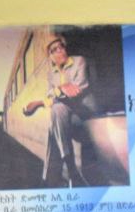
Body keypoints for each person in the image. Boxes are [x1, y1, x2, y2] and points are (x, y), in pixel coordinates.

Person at [22, 34, 99, 187]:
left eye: (61, 46)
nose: (59, 51)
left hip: (85, 114)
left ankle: (52, 177)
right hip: (66, 116)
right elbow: (51, 94)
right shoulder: (51, 74)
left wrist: (41, 102)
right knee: (56, 112)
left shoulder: (79, 61)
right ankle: (70, 173)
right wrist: (60, 89)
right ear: (50, 57)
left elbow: (78, 89)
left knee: (55, 120)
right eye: (54, 49)